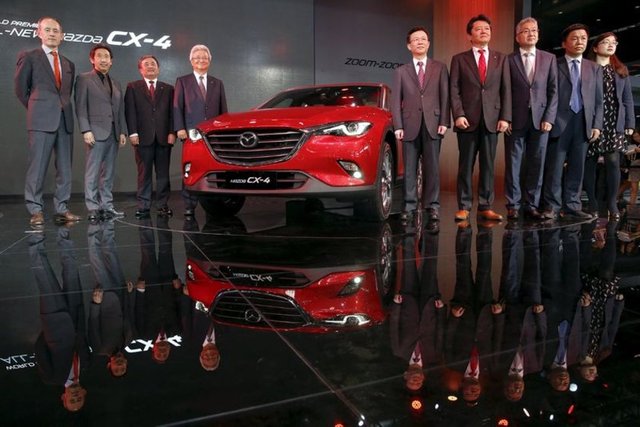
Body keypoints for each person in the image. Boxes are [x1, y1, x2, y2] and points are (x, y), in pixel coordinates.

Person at [14, 17, 80, 227]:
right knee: (38, 166)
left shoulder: (68, 63)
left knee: (65, 168)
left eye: (56, 31)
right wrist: (38, 108)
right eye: (48, 30)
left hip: (65, 120)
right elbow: (20, 89)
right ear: (39, 33)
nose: (52, 34)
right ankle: (35, 209)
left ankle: (62, 208)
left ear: (62, 36)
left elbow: (66, 93)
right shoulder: (30, 57)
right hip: (41, 120)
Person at [450, 14, 512, 222]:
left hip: (492, 120)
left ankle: (486, 206)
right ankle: (464, 206)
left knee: (488, 165)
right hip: (466, 120)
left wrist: (505, 117)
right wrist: (458, 114)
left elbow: (506, 90)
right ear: (470, 35)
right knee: (465, 165)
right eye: (478, 29)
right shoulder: (459, 59)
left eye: (487, 28)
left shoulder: (501, 58)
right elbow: (454, 90)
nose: (484, 31)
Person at [541, 24, 603, 220]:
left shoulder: (594, 68)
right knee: (555, 167)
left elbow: (599, 100)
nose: (579, 42)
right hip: (559, 120)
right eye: (575, 38)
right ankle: (552, 206)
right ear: (564, 43)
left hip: (583, 121)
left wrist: (596, 125)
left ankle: (573, 206)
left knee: (577, 166)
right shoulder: (554, 64)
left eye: (583, 38)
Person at [391, 26, 449, 224]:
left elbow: (445, 96)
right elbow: (395, 101)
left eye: (423, 38)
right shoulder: (401, 72)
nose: (420, 42)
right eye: (416, 39)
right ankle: (409, 206)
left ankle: (432, 206)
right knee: (409, 168)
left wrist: (444, 121)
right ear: (409, 46)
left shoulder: (440, 68)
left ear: (429, 43)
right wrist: (398, 126)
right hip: (409, 125)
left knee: (432, 168)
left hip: (433, 123)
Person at [505, 17, 558, 220]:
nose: (531, 34)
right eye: (526, 31)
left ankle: (531, 204)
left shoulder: (549, 58)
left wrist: (549, 117)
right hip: (515, 118)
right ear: (517, 37)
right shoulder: (509, 60)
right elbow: (504, 91)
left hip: (541, 119)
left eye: (534, 30)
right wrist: (506, 117)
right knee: (513, 163)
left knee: (537, 162)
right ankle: (513, 204)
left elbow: (553, 91)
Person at [583, 32, 635, 221]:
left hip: (614, 121)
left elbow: (627, 99)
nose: (611, 45)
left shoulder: (620, 70)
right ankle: (592, 203)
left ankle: (612, 203)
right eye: (606, 42)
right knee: (589, 162)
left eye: (614, 42)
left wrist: (630, 122)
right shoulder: (587, 68)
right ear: (595, 47)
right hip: (591, 120)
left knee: (613, 162)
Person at [173, 44, 228, 217]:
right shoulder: (183, 81)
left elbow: (223, 110)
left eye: (204, 57)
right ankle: (189, 206)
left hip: (214, 135)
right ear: (191, 61)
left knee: (216, 168)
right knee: (191, 169)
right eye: (197, 57)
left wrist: (224, 131)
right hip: (191, 134)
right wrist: (179, 128)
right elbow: (177, 107)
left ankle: (215, 204)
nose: (201, 60)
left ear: (209, 61)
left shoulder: (217, 83)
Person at [75, 43, 128, 222]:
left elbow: (120, 110)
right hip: (95, 132)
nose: (103, 59)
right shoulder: (84, 79)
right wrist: (86, 129)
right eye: (100, 56)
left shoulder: (116, 83)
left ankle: (107, 206)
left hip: (114, 133)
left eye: (107, 57)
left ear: (111, 61)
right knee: (93, 171)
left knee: (109, 172)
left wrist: (122, 132)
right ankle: (92, 207)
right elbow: (80, 107)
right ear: (92, 59)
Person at [125, 55, 176, 218]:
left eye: (153, 64)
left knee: (163, 174)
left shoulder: (168, 89)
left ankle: (162, 205)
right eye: (146, 64)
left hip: (164, 138)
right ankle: (143, 205)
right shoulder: (133, 87)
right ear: (141, 70)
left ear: (158, 68)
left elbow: (172, 113)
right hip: (142, 137)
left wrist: (172, 132)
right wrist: (133, 132)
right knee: (144, 173)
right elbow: (130, 111)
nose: (150, 66)